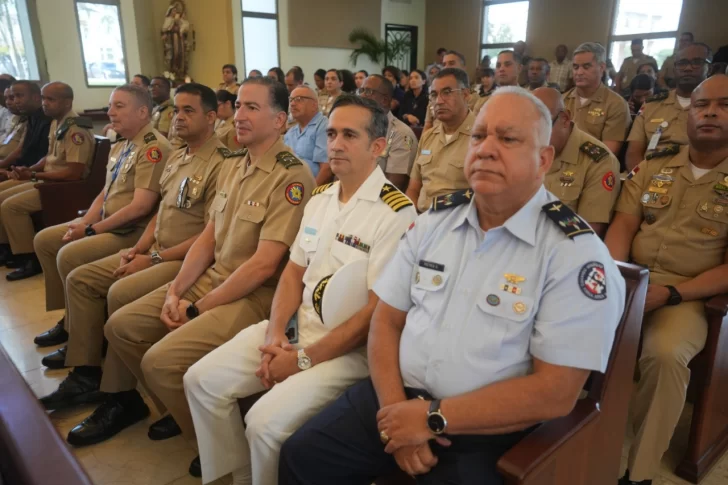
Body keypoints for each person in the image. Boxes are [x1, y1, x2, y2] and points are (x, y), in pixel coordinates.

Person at [279, 86, 626, 485]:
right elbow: (386, 322)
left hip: (486, 429)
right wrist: (397, 416)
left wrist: (431, 419)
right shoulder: (434, 222)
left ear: (544, 159)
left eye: (508, 139)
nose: (486, 149)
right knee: (301, 457)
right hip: (395, 396)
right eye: (478, 136)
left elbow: (556, 392)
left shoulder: (574, 254)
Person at [62, 78, 315, 473]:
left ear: (280, 120)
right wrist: (175, 290)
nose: (240, 115)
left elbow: (264, 265)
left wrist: (197, 308)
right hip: (212, 279)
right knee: (122, 326)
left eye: (252, 108)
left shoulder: (292, 176)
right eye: (240, 105)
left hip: (255, 295)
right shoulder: (234, 165)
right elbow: (207, 240)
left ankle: (227, 450)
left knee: (159, 363)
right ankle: (189, 416)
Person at [184, 94, 416, 485]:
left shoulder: (396, 212)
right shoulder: (321, 199)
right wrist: (275, 334)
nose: (336, 144)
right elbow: (293, 273)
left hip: (349, 350)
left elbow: (374, 315)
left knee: (262, 423)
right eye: (331, 133)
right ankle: (238, 476)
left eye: (349, 135)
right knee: (200, 381)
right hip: (295, 328)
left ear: (378, 147)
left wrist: (302, 360)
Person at [37, 82, 226, 399]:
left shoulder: (223, 163)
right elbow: (161, 211)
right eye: (176, 110)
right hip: (152, 247)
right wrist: (137, 249)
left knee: (118, 292)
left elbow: (209, 235)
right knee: (81, 277)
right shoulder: (179, 156)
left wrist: (149, 258)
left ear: (211, 117)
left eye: (188, 111)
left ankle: (118, 393)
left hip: (181, 258)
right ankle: (85, 362)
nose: (178, 117)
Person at [605, 74, 728, 485]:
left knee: (665, 354)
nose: (710, 112)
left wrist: (672, 293)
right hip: (631, 277)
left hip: (690, 293)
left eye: (724, 105)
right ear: (688, 114)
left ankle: (637, 475)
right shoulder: (655, 165)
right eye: (701, 105)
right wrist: (617, 277)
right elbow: (623, 224)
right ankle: (551, 437)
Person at [31, 84, 171, 348]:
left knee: (69, 253)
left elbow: (141, 207)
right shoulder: (121, 143)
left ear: (143, 112)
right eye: (110, 106)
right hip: (108, 222)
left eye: (119, 106)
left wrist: (92, 230)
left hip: (131, 230)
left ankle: (80, 330)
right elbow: (106, 192)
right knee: (46, 240)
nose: (110, 113)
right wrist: (84, 222)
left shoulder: (154, 148)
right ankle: (71, 318)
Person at [1, 82, 95, 281]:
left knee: (11, 206)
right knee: (2, 196)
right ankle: (7, 248)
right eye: (43, 99)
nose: (45, 104)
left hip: (63, 187)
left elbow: (73, 173)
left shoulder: (76, 128)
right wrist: (31, 169)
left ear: (67, 102)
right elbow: (49, 157)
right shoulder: (57, 122)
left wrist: (35, 176)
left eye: (50, 99)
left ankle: (29, 259)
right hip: (48, 180)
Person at [533, 87, 620, 237]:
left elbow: (586, 235)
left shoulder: (599, 162)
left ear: (565, 119)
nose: (534, 138)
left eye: (542, 128)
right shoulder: (523, 147)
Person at [625, 43, 711, 171]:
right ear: (674, 69)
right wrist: (640, 181)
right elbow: (633, 153)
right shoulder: (651, 105)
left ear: (708, 68)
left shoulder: (719, 109)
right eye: (682, 63)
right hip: (647, 177)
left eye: (696, 62)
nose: (688, 68)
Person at [406, 68, 473, 212]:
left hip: (457, 223)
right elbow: (413, 189)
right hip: (420, 219)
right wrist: (409, 219)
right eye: (434, 95)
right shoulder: (428, 137)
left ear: (466, 95)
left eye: (447, 93)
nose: (439, 101)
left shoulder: (482, 137)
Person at [563, 42, 631, 155]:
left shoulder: (615, 104)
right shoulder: (562, 100)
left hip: (591, 167)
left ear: (602, 67)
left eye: (586, 67)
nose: (579, 72)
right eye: (575, 67)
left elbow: (607, 154)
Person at [359, 75, 418, 192]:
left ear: (385, 100)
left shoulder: (401, 134)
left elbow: (393, 185)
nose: (362, 96)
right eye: (361, 91)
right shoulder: (358, 127)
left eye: (368, 91)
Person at [0, 81, 52, 177]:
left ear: (36, 97)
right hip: (23, 170)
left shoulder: (49, 119)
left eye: (19, 96)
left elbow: (47, 156)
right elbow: (24, 150)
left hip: (37, 173)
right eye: (14, 97)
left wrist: (27, 171)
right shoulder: (31, 117)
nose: (16, 101)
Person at [284, 85, 331, 184]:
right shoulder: (290, 132)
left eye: (298, 99)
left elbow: (326, 169)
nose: (292, 104)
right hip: (290, 188)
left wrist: (311, 195)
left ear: (314, 105)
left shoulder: (323, 126)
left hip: (311, 190)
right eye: (291, 100)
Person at [423, 51, 470, 131]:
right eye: (444, 64)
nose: (447, 67)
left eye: (451, 63)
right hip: (437, 137)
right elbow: (427, 125)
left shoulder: (475, 98)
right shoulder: (435, 96)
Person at [472, 50, 521, 116]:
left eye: (507, 65)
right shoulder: (485, 100)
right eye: (498, 65)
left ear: (519, 68)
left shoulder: (529, 101)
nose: (501, 69)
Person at [0, 86, 27, 178]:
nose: (7, 102)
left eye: (12, 98)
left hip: (11, 166)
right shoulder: (16, 118)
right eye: (6, 98)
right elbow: (5, 140)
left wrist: (2, 165)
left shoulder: (30, 121)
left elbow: (19, 152)